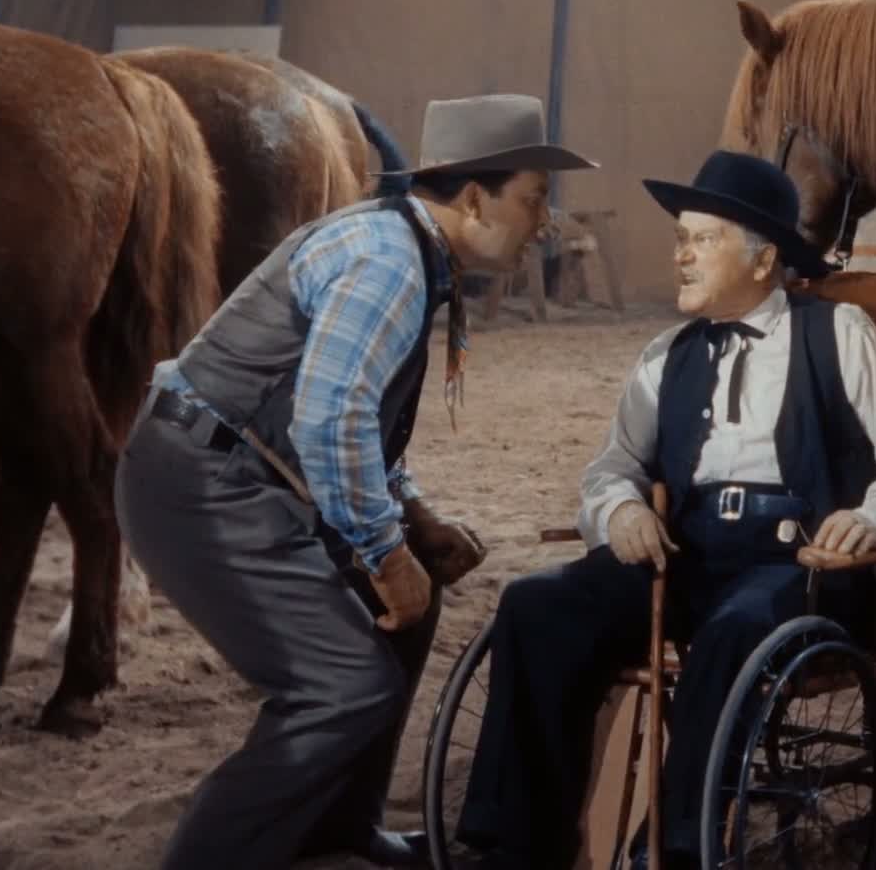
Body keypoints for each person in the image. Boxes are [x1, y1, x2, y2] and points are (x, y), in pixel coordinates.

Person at [114, 94, 597, 870]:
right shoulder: (389, 264)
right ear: (476, 199)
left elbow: (358, 416)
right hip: (200, 481)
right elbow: (330, 419)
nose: (543, 222)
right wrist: (385, 551)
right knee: (343, 684)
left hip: (245, 469)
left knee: (406, 601)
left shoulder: (406, 247)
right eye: (533, 200)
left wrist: (413, 519)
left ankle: (340, 830)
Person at [455, 149, 876, 869]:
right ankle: (517, 844)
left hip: (801, 564)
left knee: (734, 630)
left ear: (762, 259)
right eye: (680, 239)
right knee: (537, 605)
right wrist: (621, 511)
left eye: (702, 239)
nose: (681, 255)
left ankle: (675, 847)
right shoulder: (667, 355)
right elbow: (613, 466)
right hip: (684, 556)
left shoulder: (836, 334)